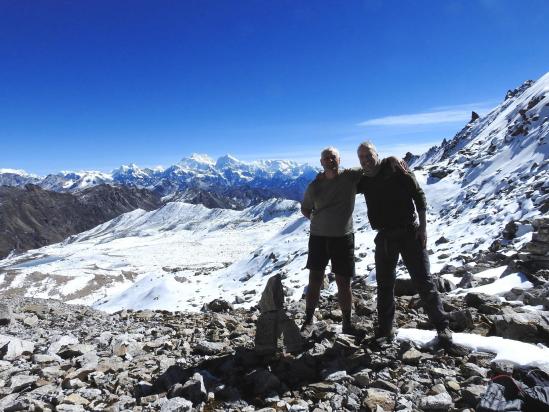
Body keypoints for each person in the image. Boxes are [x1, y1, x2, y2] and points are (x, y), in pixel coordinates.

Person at [356, 141, 452, 344]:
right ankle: (385, 330)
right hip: (384, 237)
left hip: (410, 233)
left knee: (423, 282)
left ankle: (443, 327)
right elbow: (341, 186)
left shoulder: (393, 166)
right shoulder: (363, 180)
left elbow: (419, 196)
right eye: (361, 157)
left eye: (368, 155)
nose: (366, 160)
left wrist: (423, 228)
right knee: (384, 285)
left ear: (377, 153)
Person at [300, 146, 362, 336]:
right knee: (315, 278)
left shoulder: (350, 177)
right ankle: (308, 320)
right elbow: (305, 209)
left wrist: (392, 159)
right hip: (318, 237)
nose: (329, 160)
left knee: (344, 281)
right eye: (326, 158)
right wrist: (318, 220)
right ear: (321, 162)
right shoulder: (314, 185)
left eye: (333, 157)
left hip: (343, 237)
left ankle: (347, 323)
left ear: (339, 159)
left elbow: (372, 165)